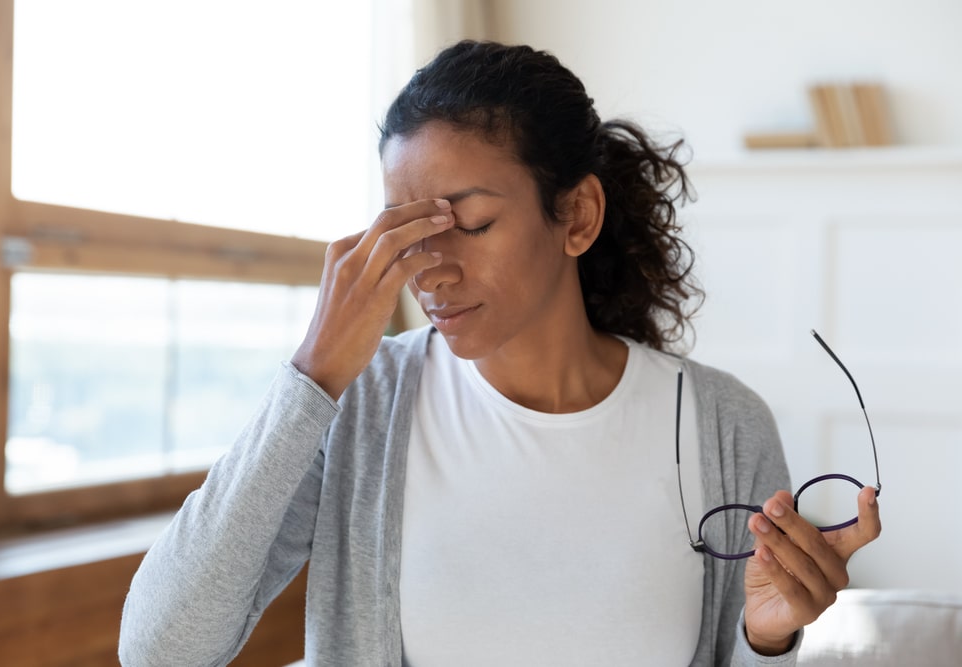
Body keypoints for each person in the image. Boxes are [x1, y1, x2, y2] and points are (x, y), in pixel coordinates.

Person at [118, 40, 880, 666]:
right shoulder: (359, 403)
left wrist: (768, 636)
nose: (431, 268)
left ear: (577, 215)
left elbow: (746, 648)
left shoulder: (722, 424)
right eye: (408, 232)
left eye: (472, 223)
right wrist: (312, 373)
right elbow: (160, 650)